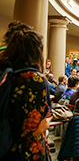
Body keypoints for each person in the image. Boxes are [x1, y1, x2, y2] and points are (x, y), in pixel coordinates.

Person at [1, 26, 52, 160]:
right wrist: (48, 119)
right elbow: (38, 127)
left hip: (6, 146)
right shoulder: (35, 79)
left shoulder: (6, 72)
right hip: (28, 150)